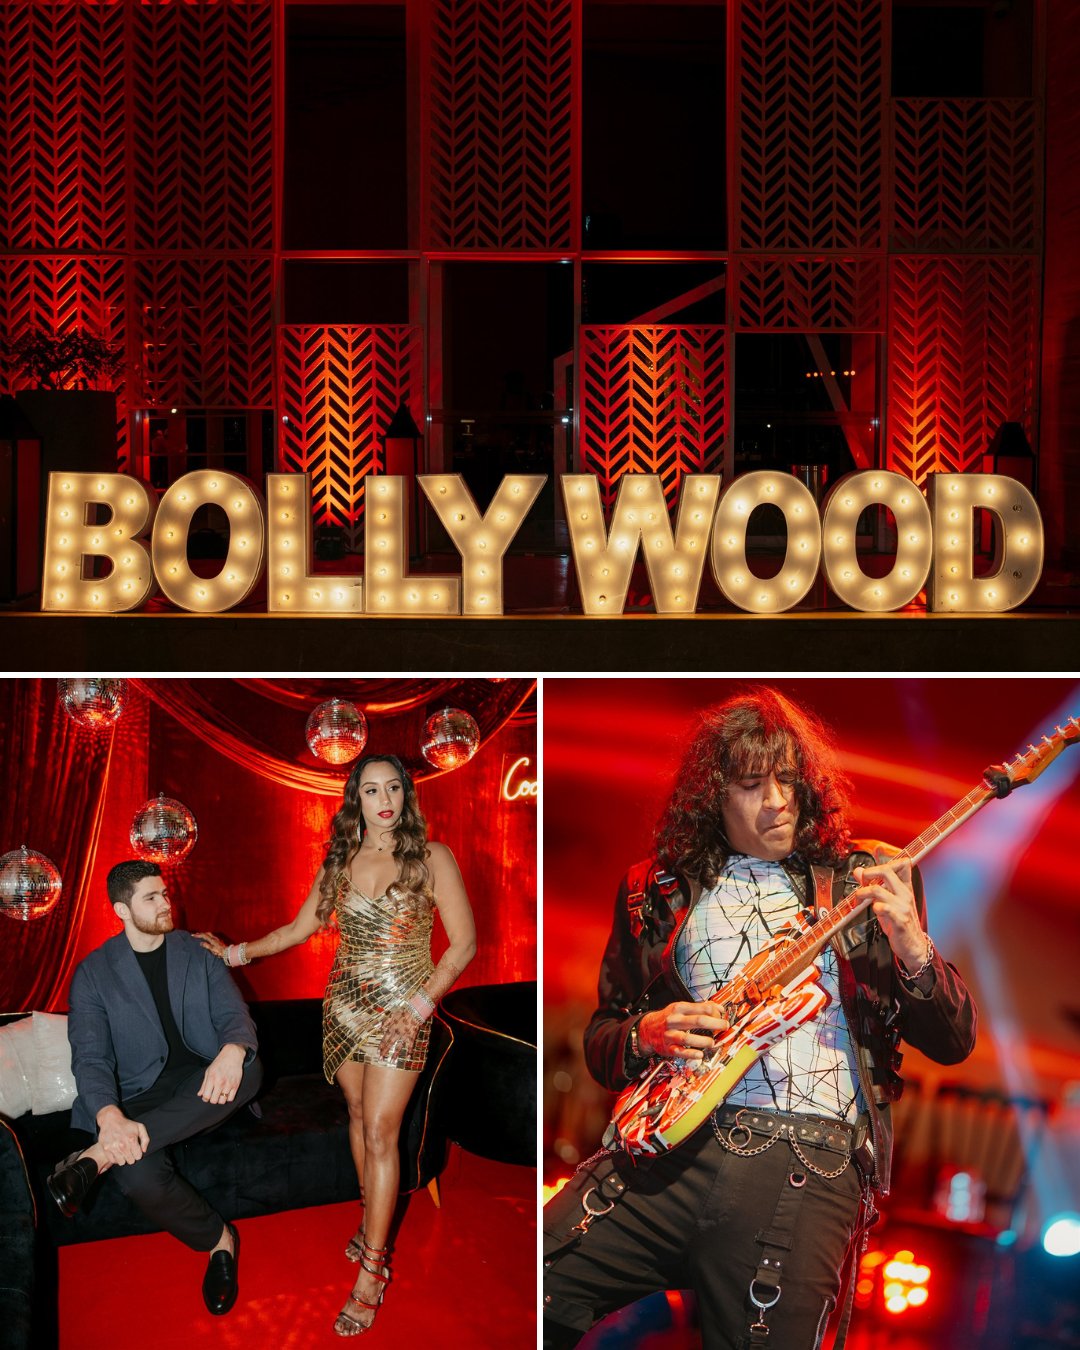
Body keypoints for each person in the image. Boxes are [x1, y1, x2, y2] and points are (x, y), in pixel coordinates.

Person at [542, 688, 977, 1350]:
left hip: (807, 1161)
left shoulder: (863, 875)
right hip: (665, 1147)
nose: (776, 800)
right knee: (540, 1279)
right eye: (751, 784)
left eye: (786, 780)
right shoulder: (652, 888)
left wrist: (914, 944)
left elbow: (953, 1043)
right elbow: (602, 1037)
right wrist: (644, 1034)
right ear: (713, 795)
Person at [196, 753, 476, 1337]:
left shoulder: (432, 858)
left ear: (405, 794)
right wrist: (232, 953)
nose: (383, 800)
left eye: (392, 788)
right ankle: (368, 1216)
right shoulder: (342, 861)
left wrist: (420, 1008)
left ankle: (372, 1272)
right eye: (370, 789)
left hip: (404, 1012)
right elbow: (299, 929)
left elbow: (463, 946)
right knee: (355, 1114)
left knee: (381, 1131)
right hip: (344, 1006)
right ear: (357, 799)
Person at [49, 859, 262, 1316]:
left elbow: (232, 1015)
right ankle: (219, 1241)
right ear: (121, 910)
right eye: (152, 897)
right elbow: (90, 1057)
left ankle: (97, 1157)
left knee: (250, 1067)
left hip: (202, 1079)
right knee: (137, 1174)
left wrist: (232, 1050)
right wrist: (108, 1116)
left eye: (165, 893)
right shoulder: (93, 973)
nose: (166, 903)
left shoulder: (197, 950)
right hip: (139, 1093)